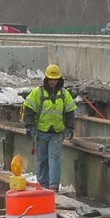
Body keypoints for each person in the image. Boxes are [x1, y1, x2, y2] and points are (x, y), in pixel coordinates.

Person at [22, 64, 76, 192]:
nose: (53, 82)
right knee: (42, 160)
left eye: (55, 79)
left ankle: (53, 187)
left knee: (54, 159)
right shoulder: (37, 93)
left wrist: (70, 127)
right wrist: (29, 126)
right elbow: (28, 110)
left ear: (59, 80)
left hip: (57, 133)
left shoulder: (64, 94)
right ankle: (43, 186)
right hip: (41, 132)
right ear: (46, 79)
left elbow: (70, 112)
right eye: (51, 79)